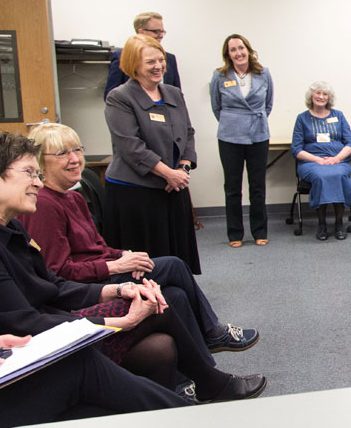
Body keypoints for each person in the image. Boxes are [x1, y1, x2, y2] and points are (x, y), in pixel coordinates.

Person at [0, 132, 266, 402]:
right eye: (29, 173)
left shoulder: (0, 222)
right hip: (24, 349)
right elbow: (26, 323)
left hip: (46, 323)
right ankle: (207, 383)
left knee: (161, 338)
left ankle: (184, 389)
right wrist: (120, 320)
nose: (38, 183)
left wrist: (118, 288)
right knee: (162, 306)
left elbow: (52, 285)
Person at [17, 123, 258, 353]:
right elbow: (58, 272)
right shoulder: (44, 206)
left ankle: (199, 371)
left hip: (103, 272)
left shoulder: (73, 197)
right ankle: (212, 334)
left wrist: (123, 255)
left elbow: (97, 246)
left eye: (77, 150)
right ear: (40, 162)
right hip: (86, 287)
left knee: (175, 295)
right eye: (62, 153)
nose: (74, 159)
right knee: (173, 265)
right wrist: (115, 265)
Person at [0, 268, 188, 427]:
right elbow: (32, 307)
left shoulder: (13, 229)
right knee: (81, 370)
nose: (37, 183)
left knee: (92, 394)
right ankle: (198, 416)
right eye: (28, 172)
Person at [104, 34, 202, 274]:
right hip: (136, 192)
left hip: (174, 186)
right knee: (146, 263)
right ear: (133, 65)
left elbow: (188, 133)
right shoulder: (120, 97)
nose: (158, 66)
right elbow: (131, 146)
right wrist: (168, 173)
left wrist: (182, 170)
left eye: (160, 60)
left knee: (176, 256)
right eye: (150, 62)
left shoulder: (174, 94)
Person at [210, 34, 273, 248]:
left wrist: (253, 121)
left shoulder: (263, 73)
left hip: (258, 135)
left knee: (257, 186)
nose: (238, 53)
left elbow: (268, 105)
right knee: (233, 187)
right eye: (233, 50)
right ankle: (235, 233)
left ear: (248, 49)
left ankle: (260, 231)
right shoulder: (220, 76)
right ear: (227, 54)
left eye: (241, 48)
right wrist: (234, 121)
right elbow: (216, 107)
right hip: (230, 136)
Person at [292, 81, 351, 241]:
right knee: (322, 177)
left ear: (329, 98)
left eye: (325, 94)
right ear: (311, 96)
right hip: (311, 163)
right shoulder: (302, 119)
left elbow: (350, 144)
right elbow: (296, 149)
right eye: (318, 93)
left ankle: (339, 223)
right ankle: (321, 224)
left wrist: (336, 158)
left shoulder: (338, 116)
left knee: (338, 175)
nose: (321, 97)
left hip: (338, 161)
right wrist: (318, 160)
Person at [105, 12, 180, 98]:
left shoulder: (170, 58)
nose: (161, 36)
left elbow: (177, 96)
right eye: (156, 31)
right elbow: (110, 95)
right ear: (141, 32)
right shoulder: (122, 57)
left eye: (162, 32)